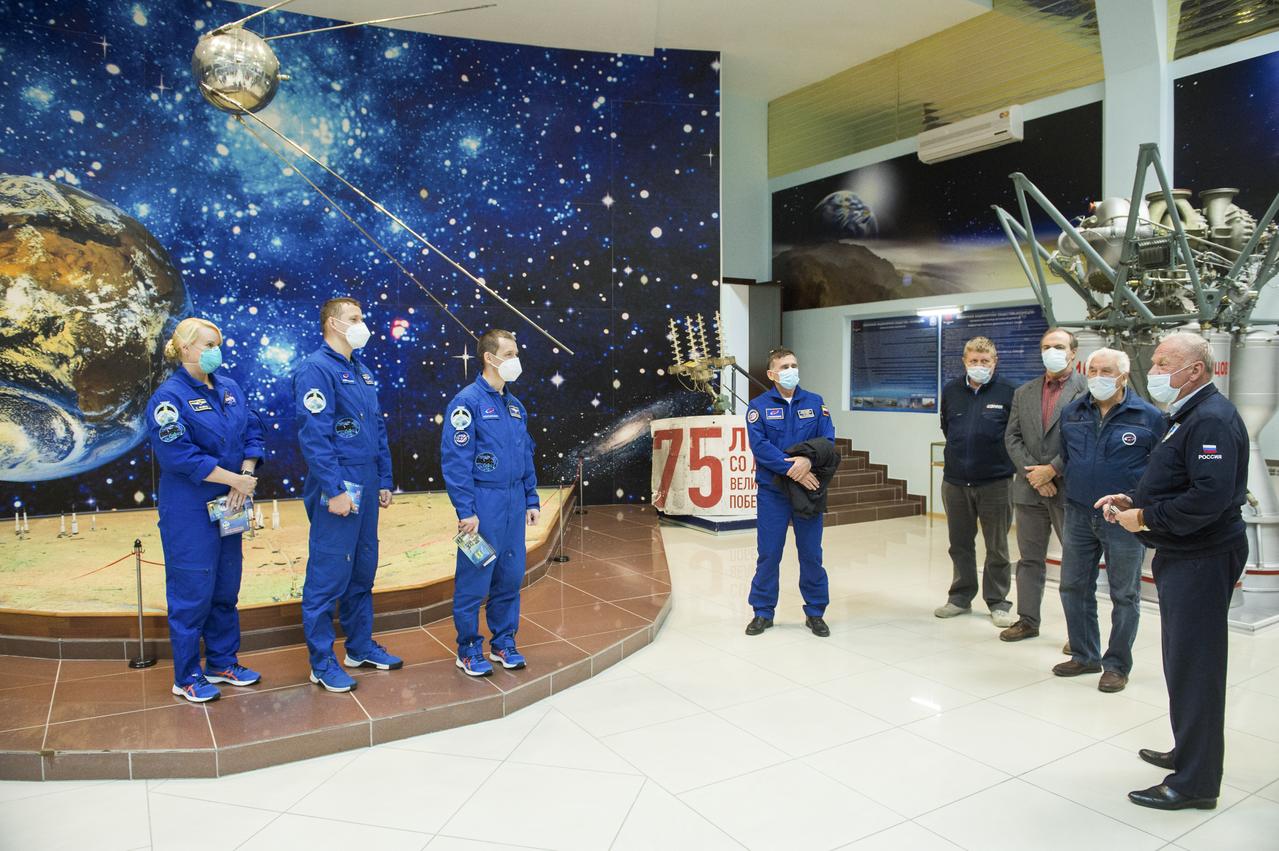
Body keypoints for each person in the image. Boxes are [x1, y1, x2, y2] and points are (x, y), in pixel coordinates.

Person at [1096, 332, 1248, 811]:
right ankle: (1189, 752)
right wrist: (1133, 501)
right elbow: (1176, 478)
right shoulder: (1185, 416)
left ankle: (1196, 783)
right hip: (1184, 555)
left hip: (1201, 557)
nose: (1155, 370)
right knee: (1182, 661)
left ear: (1195, 370)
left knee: (1197, 666)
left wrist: (1145, 519)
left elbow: (1208, 497)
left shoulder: (1212, 420)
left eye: (1164, 362)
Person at [147, 317, 264, 703]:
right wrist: (233, 479)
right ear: (184, 349)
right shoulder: (169, 398)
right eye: (206, 344)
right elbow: (177, 454)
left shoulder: (229, 388)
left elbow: (253, 430)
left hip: (230, 504)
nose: (215, 351)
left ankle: (222, 661)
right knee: (192, 591)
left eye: (217, 344)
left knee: (226, 586)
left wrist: (245, 473)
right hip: (190, 510)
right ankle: (186, 675)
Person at [293, 297, 400, 692]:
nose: (363, 323)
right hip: (338, 484)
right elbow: (314, 436)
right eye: (355, 318)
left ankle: (359, 646)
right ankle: (321, 662)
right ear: (334, 324)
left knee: (362, 568)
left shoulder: (363, 372)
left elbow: (378, 429)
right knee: (328, 574)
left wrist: (385, 478)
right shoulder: (316, 370)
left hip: (368, 482)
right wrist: (333, 489)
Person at [1055, 348, 1162, 693]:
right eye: (1093, 370)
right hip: (1078, 512)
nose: (1098, 376)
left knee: (1124, 593)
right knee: (1073, 585)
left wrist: (1138, 507)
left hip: (1121, 518)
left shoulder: (1147, 416)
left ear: (1123, 377)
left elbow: (1160, 470)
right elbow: (1067, 457)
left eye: (1106, 371)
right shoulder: (1073, 412)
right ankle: (1084, 654)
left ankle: (1116, 664)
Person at [441, 329, 540, 676]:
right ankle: (468, 648)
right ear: (490, 357)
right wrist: (466, 511)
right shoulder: (466, 403)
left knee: (510, 577)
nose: (516, 360)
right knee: (474, 578)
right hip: (483, 506)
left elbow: (526, 455)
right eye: (509, 353)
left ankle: (503, 642)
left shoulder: (515, 407)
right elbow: (456, 462)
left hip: (513, 503)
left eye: (516, 353)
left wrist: (531, 498)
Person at [1000, 328, 1087, 642]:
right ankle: (1027, 620)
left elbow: (1086, 439)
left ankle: (1079, 633)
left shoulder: (1087, 391)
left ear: (1073, 353)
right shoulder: (1024, 392)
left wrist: (1052, 470)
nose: (1052, 351)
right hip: (1029, 488)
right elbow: (1012, 437)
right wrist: (1034, 475)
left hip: (1069, 489)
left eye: (1059, 346)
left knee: (1075, 561)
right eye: (1047, 346)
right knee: (1029, 559)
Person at [744, 347, 836, 638]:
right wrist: (793, 468)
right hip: (773, 492)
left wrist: (808, 461)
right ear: (771, 374)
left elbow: (828, 440)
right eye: (784, 366)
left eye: (794, 365)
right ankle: (762, 612)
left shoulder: (816, 402)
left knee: (811, 554)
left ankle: (816, 612)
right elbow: (760, 448)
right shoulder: (758, 407)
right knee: (769, 554)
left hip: (808, 489)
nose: (790, 370)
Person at [934, 337, 1017, 626]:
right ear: (964, 362)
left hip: (996, 481)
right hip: (955, 481)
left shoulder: (1009, 392)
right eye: (974, 361)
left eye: (985, 361)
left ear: (995, 362)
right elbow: (948, 427)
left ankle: (998, 601)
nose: (979, 366)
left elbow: (1014, 435)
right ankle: (960, 597)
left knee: (997, 546)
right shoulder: (952, 390)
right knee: (959, 543)